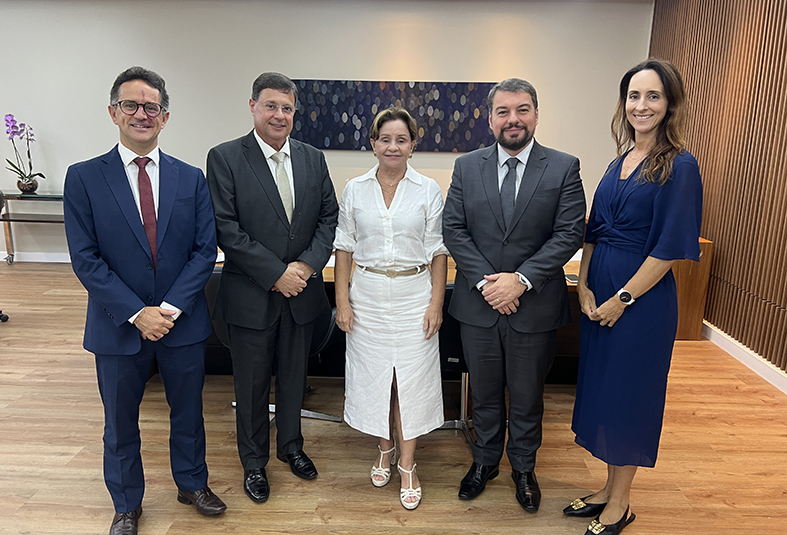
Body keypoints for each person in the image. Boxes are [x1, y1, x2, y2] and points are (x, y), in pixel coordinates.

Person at [63, 67, 225, 535]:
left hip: (181, 323)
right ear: (113, 112)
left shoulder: (190, 178)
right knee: (119, 422)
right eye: (131, 105)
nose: (141, 114)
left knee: (189, 413)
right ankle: (126, 504)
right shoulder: (84, 177)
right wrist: (137, 313)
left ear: (165, 117)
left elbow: (204, 251)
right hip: (117, 325)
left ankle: (192, 484)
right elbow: (86, 259)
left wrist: (167, 310)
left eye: (151, 106)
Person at [567, 59, 702, 535]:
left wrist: (621, 298)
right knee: (605, 394)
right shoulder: (618, 161)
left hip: (640, 305)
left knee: (629, 397)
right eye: (634, 96)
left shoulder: (680, 165)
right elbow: (594, 232)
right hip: (600, 295)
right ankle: (607, 489)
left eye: (653, 96)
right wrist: (584, 285)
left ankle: (621, 503)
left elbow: (669, 249)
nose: (641, 106)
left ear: (670, 104)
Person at [443, 78, 586, 512]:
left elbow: (569, 234)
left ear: (536, 115)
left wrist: (520, 280)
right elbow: (454, 229)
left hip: (534, 306)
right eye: (503, 111)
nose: (513, 119)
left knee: (527, 397)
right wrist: (490, 283)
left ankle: (523, 468)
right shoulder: (467, 166)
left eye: (522, 110)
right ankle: (485, 462)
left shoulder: (563, 167)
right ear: (490, 119)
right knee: (484, 395)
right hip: (480, 305)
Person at [206, 72, 338, 504]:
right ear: (252, 106)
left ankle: (291, 447)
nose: (279, 115)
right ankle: (253, 463)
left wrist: (305, 266)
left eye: (287, 108)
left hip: (301, 294)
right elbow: (226, 228)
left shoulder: (313, 158)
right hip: (251, 295)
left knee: (295, 378)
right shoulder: (225, 157)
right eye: (270, 106)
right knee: (251, 385)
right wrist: (276, 273)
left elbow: (328, 218)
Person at [333, 107, 448, 510]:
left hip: (415, 296)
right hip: (367, 296)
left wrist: (436, 303)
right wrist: (342, 301)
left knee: (411, 383)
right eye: (385, 139)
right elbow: (344, 246)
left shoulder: (428, 190)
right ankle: (385, 447)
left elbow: (438, 251)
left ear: (413, 145)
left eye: (401, 139)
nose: (393, 147)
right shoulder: (355, 189)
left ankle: (408, 464)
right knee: (376, 379)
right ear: (373, 144)